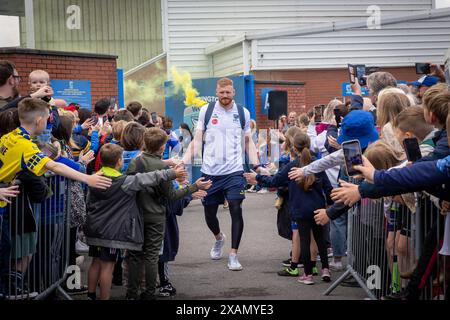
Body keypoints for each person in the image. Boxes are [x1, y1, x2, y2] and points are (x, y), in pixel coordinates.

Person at [85, 143, 186, 300]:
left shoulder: (93, 179)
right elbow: (147, 178)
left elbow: (88, 203)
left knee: (95, 262)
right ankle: (104, 297)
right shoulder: (123, 181)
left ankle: (90, 295)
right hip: (110, 233)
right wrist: (171, 173)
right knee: (107, 267)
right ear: (119, 161)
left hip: (94, 228)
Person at [181, 77, 259, 271]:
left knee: (236, 209)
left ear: (234, 92)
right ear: (217, 92)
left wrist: (257, 166)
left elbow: (248, 142)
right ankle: (218, 238)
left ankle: (233, 254)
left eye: (228, 92)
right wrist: (183, 162)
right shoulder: (206, 111)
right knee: (209, 214)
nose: (225, 96)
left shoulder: (243, 113)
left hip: (234, 172)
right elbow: (197, 140)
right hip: (210, 173)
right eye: (222, 92)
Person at [126, 128, 212, 300]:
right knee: (151, 256)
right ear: (162, 147)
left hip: (137, 213)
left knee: (135, 255)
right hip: (156, 216)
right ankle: (149, 293)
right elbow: (171, 196)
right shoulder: (163, 168)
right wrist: (194, 187)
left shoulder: (136, 162)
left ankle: (131, 294)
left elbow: (130, 185)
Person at [245, 131, 333, 285]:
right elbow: (327, 187)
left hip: (300, 208)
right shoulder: (318, 164)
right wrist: (331, 204)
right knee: (320, 239)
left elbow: (275, 181)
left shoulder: (292, 166)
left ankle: (307, 275)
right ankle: (325, 270)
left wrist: (257, 178)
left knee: (304, 240)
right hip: (318, 206)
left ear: (294, 148)